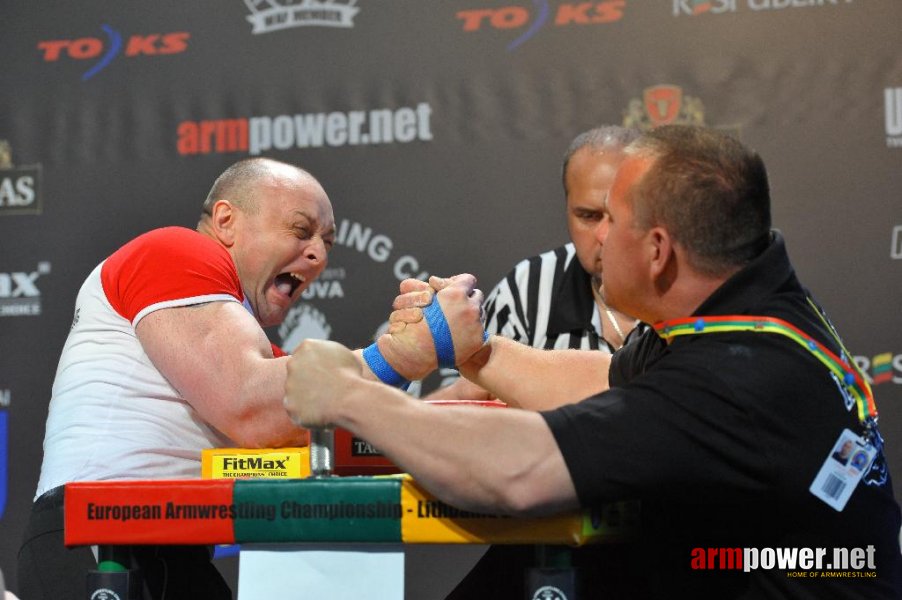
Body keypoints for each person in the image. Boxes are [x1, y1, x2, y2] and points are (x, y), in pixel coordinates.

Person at [284, 126, 902, 598]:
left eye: (617, 221)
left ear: (658, 250)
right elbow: (603, 377)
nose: (600, 238)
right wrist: (476, 352)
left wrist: (352, 396)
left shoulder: (735, 377)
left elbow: (519, 470)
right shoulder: (754, 306)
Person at [17, 157, 486, 600]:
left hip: (162, 544)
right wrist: (403, 352)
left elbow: (333, 432)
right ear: (225, 221)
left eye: (326, 242)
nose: (318, 253)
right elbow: (249, 405)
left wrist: (469, 389)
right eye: (301, 230)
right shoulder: (176, 251)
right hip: (98, 541)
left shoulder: (259, 355)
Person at [429, 125, 644, 404]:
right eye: (589, 216)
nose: (605, 235)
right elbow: (469, 400)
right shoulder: (526, 290)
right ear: (566, 210)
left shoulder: (691, 295)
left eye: (621, 215)